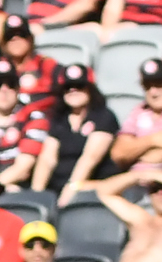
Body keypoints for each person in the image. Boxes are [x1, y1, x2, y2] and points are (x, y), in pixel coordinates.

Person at [33, 64, 115, 207]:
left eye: (79, 86)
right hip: (57, 187)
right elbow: (47, 159)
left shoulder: (103, 116)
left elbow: (89, 159)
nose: (72, 90)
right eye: (67, 87)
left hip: (89, 187)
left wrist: (70, 191)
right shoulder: (59, 119)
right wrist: (37, 195)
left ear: (90, 88)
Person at [108, 57, 162, 180]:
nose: (153, 92)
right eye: (147, 86)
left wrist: (137, 151)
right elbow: (119, 154)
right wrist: (153, 140)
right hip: (137, 183)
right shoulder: (139, 111)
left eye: (159, 84)